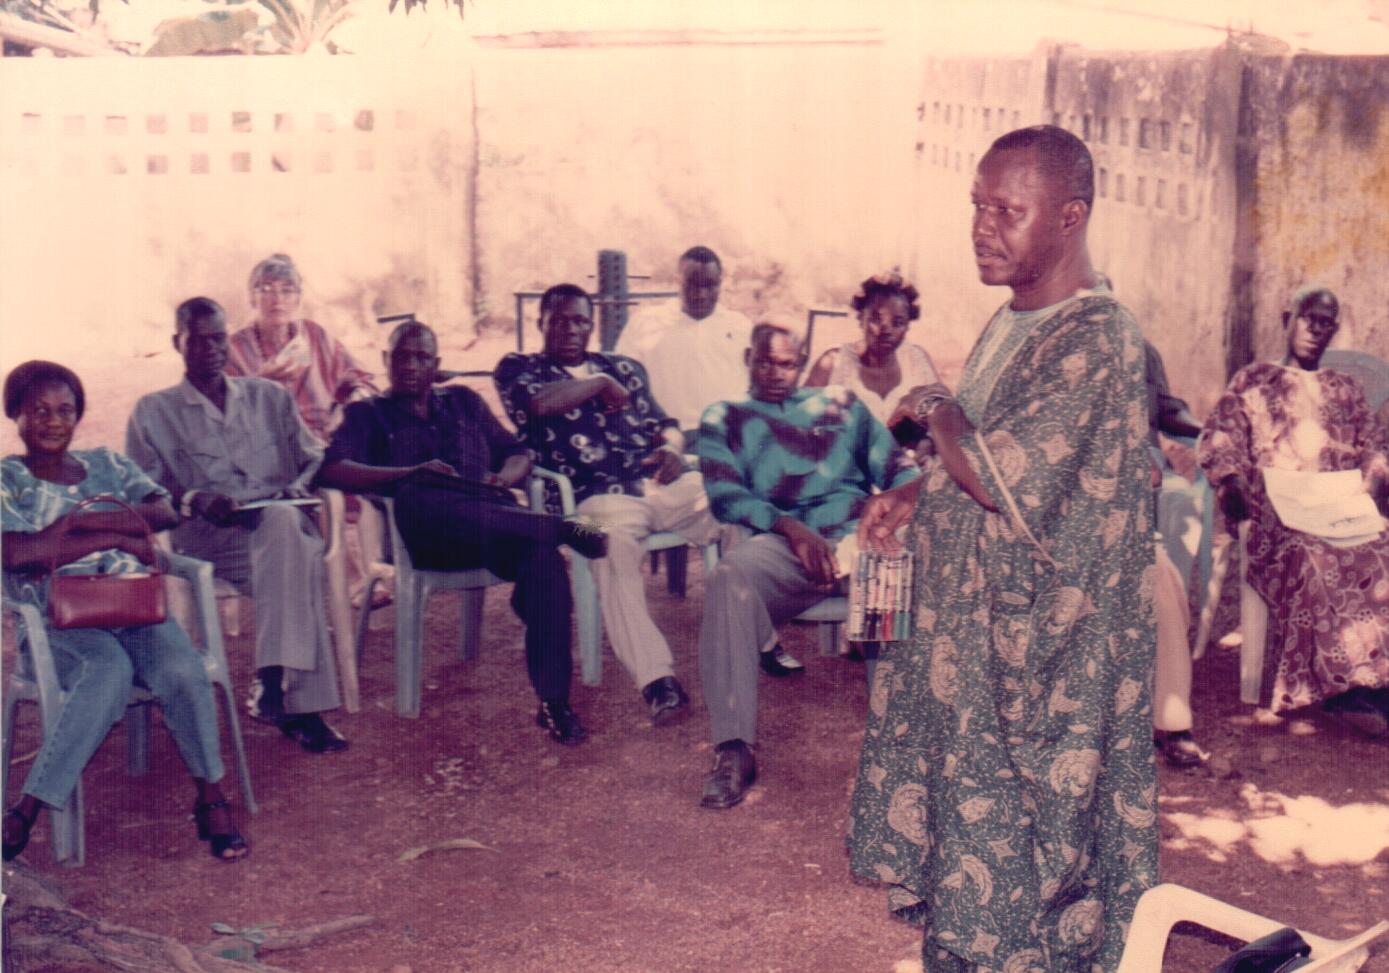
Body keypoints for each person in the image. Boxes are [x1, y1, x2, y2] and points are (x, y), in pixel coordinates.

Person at [848, 125, 1158, 970]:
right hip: (983, 630)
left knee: (1036, 824)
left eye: (1007, 210)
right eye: (976, 206)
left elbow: (999, 470)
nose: (982, 226)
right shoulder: (1015, 318)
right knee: (978, 812)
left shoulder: (1096, 337)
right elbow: (981, 458)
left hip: (1052, 646)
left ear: (1068, 216)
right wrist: (911, 496)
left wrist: (933, 403)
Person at [317, 321, 608, 745]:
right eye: (402, 356)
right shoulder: (369, 415)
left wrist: (503, 480)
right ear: (386, 361)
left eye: (422, 357)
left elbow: (517, 452)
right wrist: (408, 473)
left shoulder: (464, 403)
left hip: (494, 524)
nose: (412, 365)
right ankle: (562, 525)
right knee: (420, 490)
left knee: (543, 558)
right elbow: (332, 468)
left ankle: (554, 703)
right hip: (428, 536)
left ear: (436, 365)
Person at [2, 361, 247, 863]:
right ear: (16, 416)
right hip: (55, 615)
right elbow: (16, 554)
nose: (53, 421)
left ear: (78, 416)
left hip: (130, 600)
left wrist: (71, 531)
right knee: (107, 670)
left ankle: (210, 796)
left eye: (65, 410)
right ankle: (28, 806)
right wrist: (114, 533)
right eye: (39, 411)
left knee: (181, 669)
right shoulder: (6, 477)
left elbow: (162, 512)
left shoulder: (108, 464)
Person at [694, 323, 920, 810]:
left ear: (803, 363)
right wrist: (790, 529)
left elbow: (901, 468)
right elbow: (724, 495)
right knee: (729, 578)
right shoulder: (724, 416)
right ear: (749, 358)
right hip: (785, 542)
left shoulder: (843, 406)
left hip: (855, 537)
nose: (777, 373)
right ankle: (734, 748)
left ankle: (898, 748)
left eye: (788, 363)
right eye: (766, 362)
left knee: (890, 569)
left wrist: (890, 510)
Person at [126, 297, 348, 755]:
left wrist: (296, 487)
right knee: (297, 555)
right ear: (177, 343)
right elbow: (141, 494)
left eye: (219, 337)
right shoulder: (153, 412)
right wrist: (194, 499)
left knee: (287, 530)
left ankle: (273, 685)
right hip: (210, 540)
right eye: (198, 339)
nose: (211, 348)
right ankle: (294, 702)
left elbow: (316, 459)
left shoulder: (268, 397)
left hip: (277, 530)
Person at [495, 284, 723, 725]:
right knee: (609, 549)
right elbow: (539, 405)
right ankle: (658, 680)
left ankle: (762, 638)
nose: (569, 328)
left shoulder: (624, 367)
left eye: (580, 320)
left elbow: (667, 425)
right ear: (540, 322)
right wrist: (597, 383)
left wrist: (674, 449)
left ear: (592, 323)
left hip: (655, 485)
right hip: (582, 506)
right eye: (558, 319)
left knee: (734, 502)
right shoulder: (520, 368)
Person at [1197, 285, 1389, 735]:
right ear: (1288, 317)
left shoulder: (1346, 388)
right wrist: (1231, 484)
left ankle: (1377, 688)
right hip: (1280, 519)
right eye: (1308, 318)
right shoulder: (1254, 380)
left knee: (1383, 551)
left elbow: (1374, 447)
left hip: (1342, 511)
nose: (1315, 330)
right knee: (1314, 558)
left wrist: (1373, 476)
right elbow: (1220, 436)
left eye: (1326, 323)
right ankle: (1344, 694)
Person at [225, 254, 377, 443]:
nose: (277, 299)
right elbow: (225, 416)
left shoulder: (314, 335)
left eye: (287, 291)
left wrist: (355, 397)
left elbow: (355, 379)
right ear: (251, 298)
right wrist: (259, 386)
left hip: (324, 445)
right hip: (265, 450)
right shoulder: (233, 349)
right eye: (266, 289)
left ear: (297, 299)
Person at [1144, 338, 1208, 768]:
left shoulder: (1140, 351)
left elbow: (1167, 409)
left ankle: (1172, 721)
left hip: (1126, 526)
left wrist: (1207, 433)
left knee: (1163, 582)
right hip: (1053, 525)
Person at [614, 246, 753, 436]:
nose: (701, 294)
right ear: (678, 281)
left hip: (724, 438)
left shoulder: (741, 327)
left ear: (720, 283)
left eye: (709, 285)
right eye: (693, 284)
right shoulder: (645, 323)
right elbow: (622, 383)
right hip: (662, 436)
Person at [804, 270, 941, 425]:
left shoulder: (916, 362)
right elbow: (798, 421)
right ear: (861, 318)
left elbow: (945, 419)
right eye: (876, 319)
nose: (886, 330)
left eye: (898, 323)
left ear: (908, 326)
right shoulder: (833, 364)